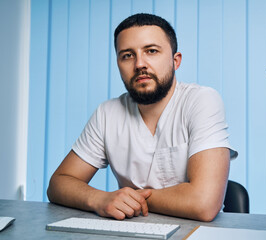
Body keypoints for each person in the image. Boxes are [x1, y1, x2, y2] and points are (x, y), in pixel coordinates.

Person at [47, 13, 237, 222]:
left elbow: (204, 203)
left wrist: (131, 199)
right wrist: (100, 199)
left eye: (151, 51)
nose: (139, 64)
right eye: (127, 55)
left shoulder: (201, 100)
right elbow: (58, 183)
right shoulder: (107, 113)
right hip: (131, 231)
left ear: (176, 61)